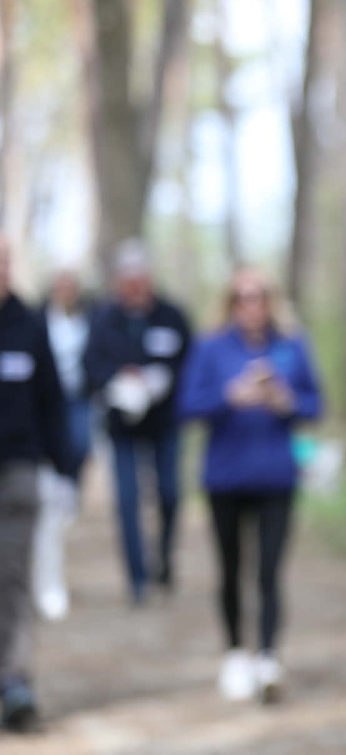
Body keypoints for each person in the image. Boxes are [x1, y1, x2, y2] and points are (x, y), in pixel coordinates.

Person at [177, 267, 322, 703]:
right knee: (231, 569)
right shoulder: (211, 347)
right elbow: (186, 408)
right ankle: (236, 652)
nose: (251, 304)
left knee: (270, 570)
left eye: (258, 295)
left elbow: (315, 404)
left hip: (277, 476)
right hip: (225, 477)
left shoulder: (292, 345)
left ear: (270, 300)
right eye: (241, 296)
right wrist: (230, 396)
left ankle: (268, 656)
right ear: (230, 301)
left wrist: (285, 401)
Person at [83, 239, 192, 605]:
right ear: (118, 281)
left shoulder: (172, 316)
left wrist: (161, 381)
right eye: (127, 278)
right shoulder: (103, 318)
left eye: (140, 276)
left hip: (165, 422)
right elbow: (90, 367)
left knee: (169, 493)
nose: (134, 285)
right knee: (127, 500)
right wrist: (118, 378)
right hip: (122, 424)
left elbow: (189, 365)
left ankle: (163, 559)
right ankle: (137, 578)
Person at [0, 235, 72, 732]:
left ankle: (15, 680)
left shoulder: (30, 324)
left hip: (18, 469)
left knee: (13, 578)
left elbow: (52, 399)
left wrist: (64, 467)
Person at [32, 267, 96, 621]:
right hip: (45, 405)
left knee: (77, 447)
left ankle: (70, 489)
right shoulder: (38, 321)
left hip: (76, 398)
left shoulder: (89, 317)